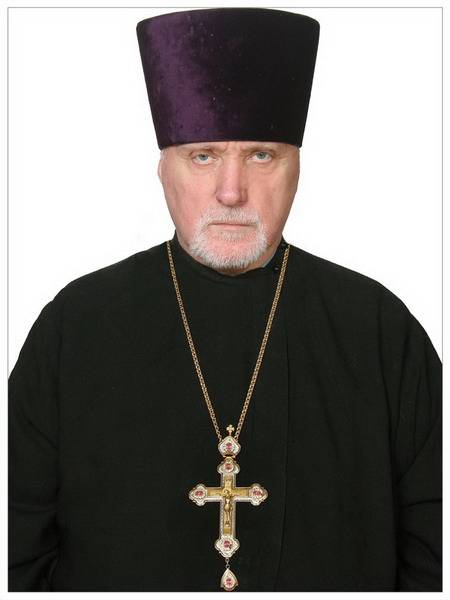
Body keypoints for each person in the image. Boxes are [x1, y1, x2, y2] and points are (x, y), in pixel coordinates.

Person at [8, 8, 441, 592]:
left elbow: (437, 554)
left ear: (295, 169)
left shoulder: (381, 329)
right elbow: (15, 555)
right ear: (164, 171)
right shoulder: (75, 326)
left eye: (261, 155)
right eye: (203, 155)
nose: (231, 191)